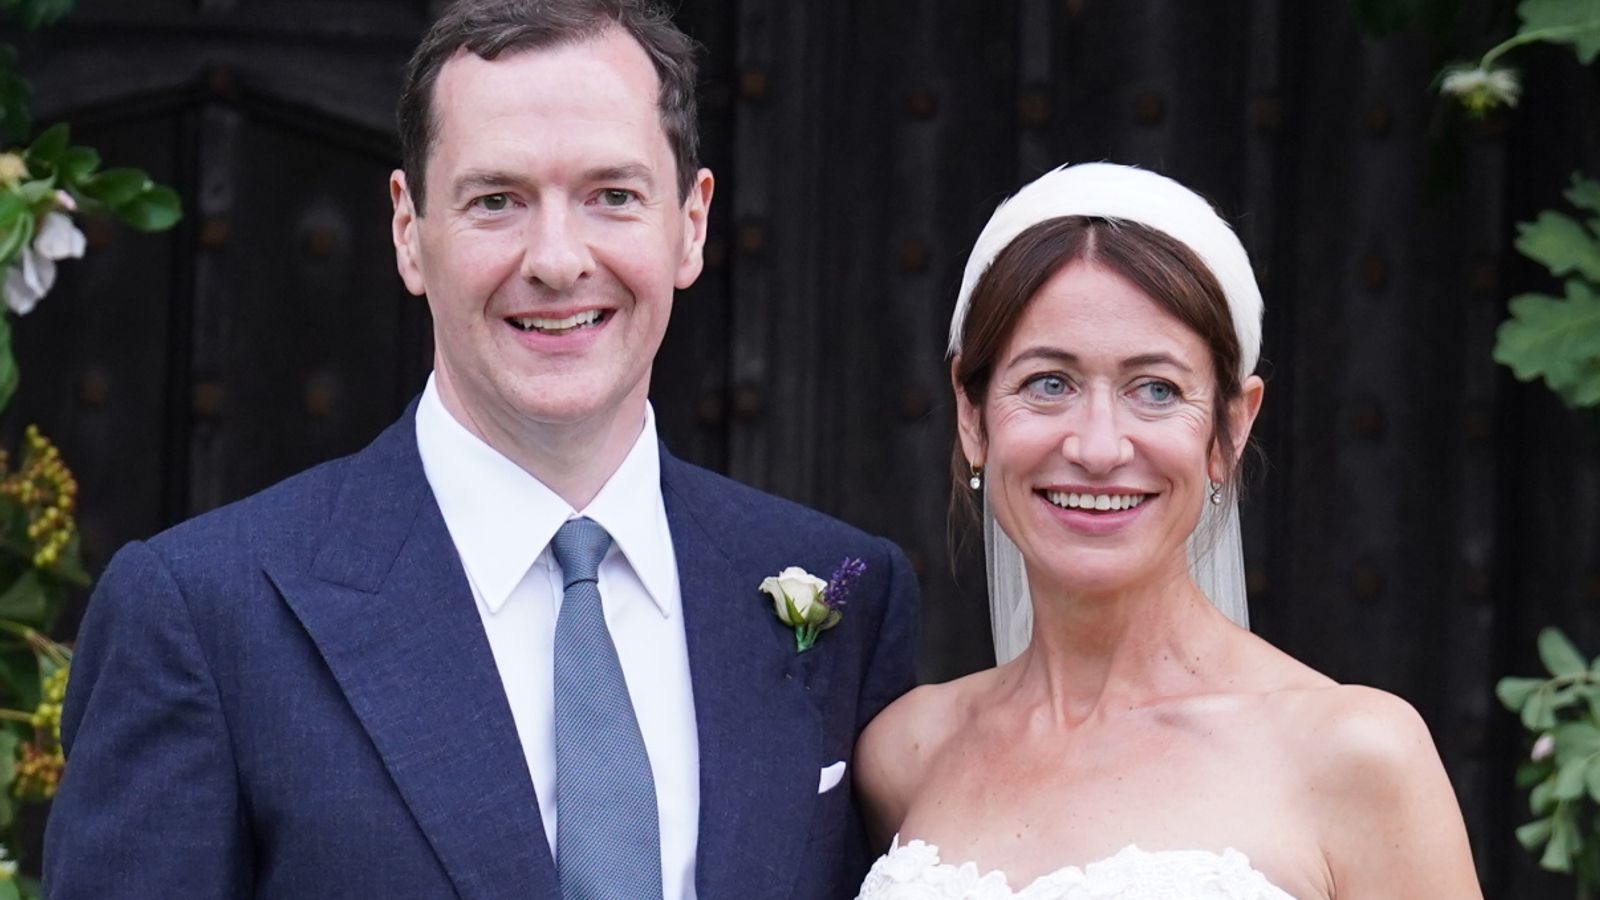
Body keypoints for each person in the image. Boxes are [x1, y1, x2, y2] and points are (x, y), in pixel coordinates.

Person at [43, 1, 919, 897]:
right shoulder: (202, 614)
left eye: (612, 196)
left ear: (690, 223)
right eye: (496, 201)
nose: (557, 259)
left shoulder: (842, 590)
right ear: (408, 231)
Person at [853, 162, 1482, 899]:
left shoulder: (1356, 756)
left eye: (1156, 390)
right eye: (1048, 384)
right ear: (972, 414)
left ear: (1232, 426)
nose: (1097, 447)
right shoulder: (907, 755)